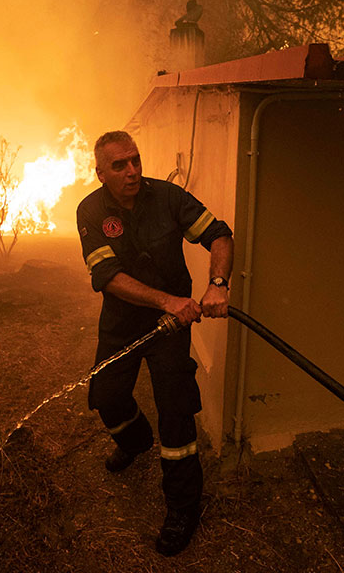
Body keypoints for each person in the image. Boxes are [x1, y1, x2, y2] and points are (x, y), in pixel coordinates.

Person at [76, 130, 233, 556]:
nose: (132, 171)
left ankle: (183, 508)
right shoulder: (90, 211)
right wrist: (168, 300)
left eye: (136, 160)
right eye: (119, 165)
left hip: (172, 327)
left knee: (176, 412)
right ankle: (134, 442)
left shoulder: (168, 197)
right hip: (123, 322)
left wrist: (217, 284)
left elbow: (219, 234)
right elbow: (107, 277)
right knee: (107, 397)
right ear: (101, 173)